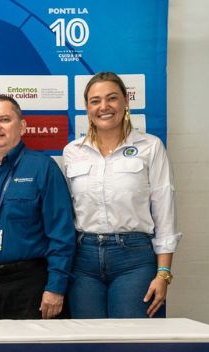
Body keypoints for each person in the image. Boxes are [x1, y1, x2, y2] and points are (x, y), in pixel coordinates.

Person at [62, 72, 181, 318]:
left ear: (126, 101)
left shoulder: (150, 147)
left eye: (112, 98)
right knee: (88, 344)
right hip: (83, 260)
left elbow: (164, 210)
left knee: (130, 344)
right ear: (87, 108)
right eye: (95, 101)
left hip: (134, 260)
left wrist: (163, 274)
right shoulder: (72, 151)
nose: (104, 107)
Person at [0, 95, 75, 320]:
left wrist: (56, 286)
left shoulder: (43, 169)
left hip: (30, 287)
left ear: (22, 126)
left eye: (4, 119)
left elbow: (62, 234)